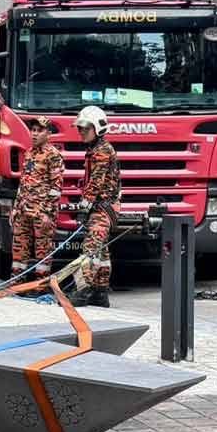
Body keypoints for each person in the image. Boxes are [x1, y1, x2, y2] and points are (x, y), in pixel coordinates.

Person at [69, 106, 120, 309]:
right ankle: (100, 293)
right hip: (102, 207)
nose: (80, 132)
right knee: (102, 252)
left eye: (85, 128)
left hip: (102, 208)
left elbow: (96, 182)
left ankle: (81, 292)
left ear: (97, 128)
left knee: (89, 250)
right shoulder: (95, 150)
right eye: (79, 128)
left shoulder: (102, 152)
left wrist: (83, 207)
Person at [10, 117, 64, 286]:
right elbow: (23, 183)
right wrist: (15, 208)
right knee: (19, 248)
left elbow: (56, 188)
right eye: (33, 130)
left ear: (48, 133)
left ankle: (41, 286)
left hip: (42, 212)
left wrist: (47, 213)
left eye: (39, 130)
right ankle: (17, 283)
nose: (34, 133)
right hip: (24, 210)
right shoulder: (28, 153)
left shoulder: (53, 155)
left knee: (43, 251)